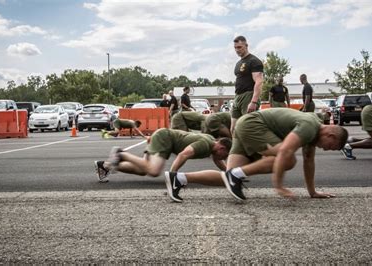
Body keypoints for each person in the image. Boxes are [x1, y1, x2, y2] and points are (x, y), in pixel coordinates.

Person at [164, 108, 348, 202]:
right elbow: (284, 151)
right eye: (330, 146)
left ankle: (178, 179)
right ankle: (235, 176)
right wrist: (279, 186)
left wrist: (312, 192)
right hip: (253, 125)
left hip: (246, 126)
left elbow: (309, 161)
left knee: (229, 177)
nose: (326, 149)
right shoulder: (310, 126)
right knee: (289, 159)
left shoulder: (314, 133)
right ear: (330, 135)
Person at [94, 128, 232, 192]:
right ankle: (121, 154)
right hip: (164, 138)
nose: (223, 158)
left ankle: (105, 166)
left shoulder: (212, 144)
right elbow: (183, 155)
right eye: (224, 155)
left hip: (163, 137)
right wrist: (173, 176)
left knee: (143, 170)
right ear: (221, 147)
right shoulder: (205, 144)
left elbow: (217, 161)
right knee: (153, 171)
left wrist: (230, 174)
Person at [231, 35, 264, 133]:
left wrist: (253, 102)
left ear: (246, 46)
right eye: (235, 48)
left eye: (240, 47)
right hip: (237, 97)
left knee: (247, 128)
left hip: (248, 96)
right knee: (233, 129)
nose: (237, 50)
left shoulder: (254, 61)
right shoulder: (238, 63)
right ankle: (238, 148)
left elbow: (259, 82)